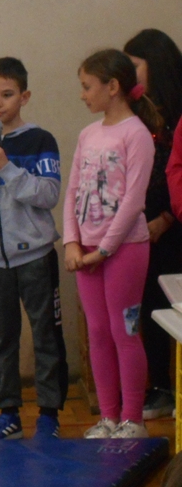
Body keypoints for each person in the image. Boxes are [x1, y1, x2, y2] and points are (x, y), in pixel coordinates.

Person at [0, 57, 68, 441]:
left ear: (24, 96)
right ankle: (8, 414)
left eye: (6, 95)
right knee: (3, 340)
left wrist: (7, 168)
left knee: (46, 336)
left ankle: (49, 415)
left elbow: (48, 195)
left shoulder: (41, 141)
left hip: (35, 258)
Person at [64, 49, 160, 439]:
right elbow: (72, 192)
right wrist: (72, 242)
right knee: (98, 333)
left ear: (113, 86)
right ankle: (108, 417)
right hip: (86, 252)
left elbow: (134, 200)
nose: (82, 95)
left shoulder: (136, 134)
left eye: (87, 87)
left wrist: (103, 250)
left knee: (125, 332)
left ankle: (132, 418)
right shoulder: (88, 134)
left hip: (124, 250)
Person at [124, 30, 182, 420]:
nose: (129, 76)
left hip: (174, 224)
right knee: (151, 306)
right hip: (145, 228)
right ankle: (160, 386)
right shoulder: (137, 113)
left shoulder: (177, 112)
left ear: (155, 65)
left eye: (135, 66)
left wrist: (167, 218)